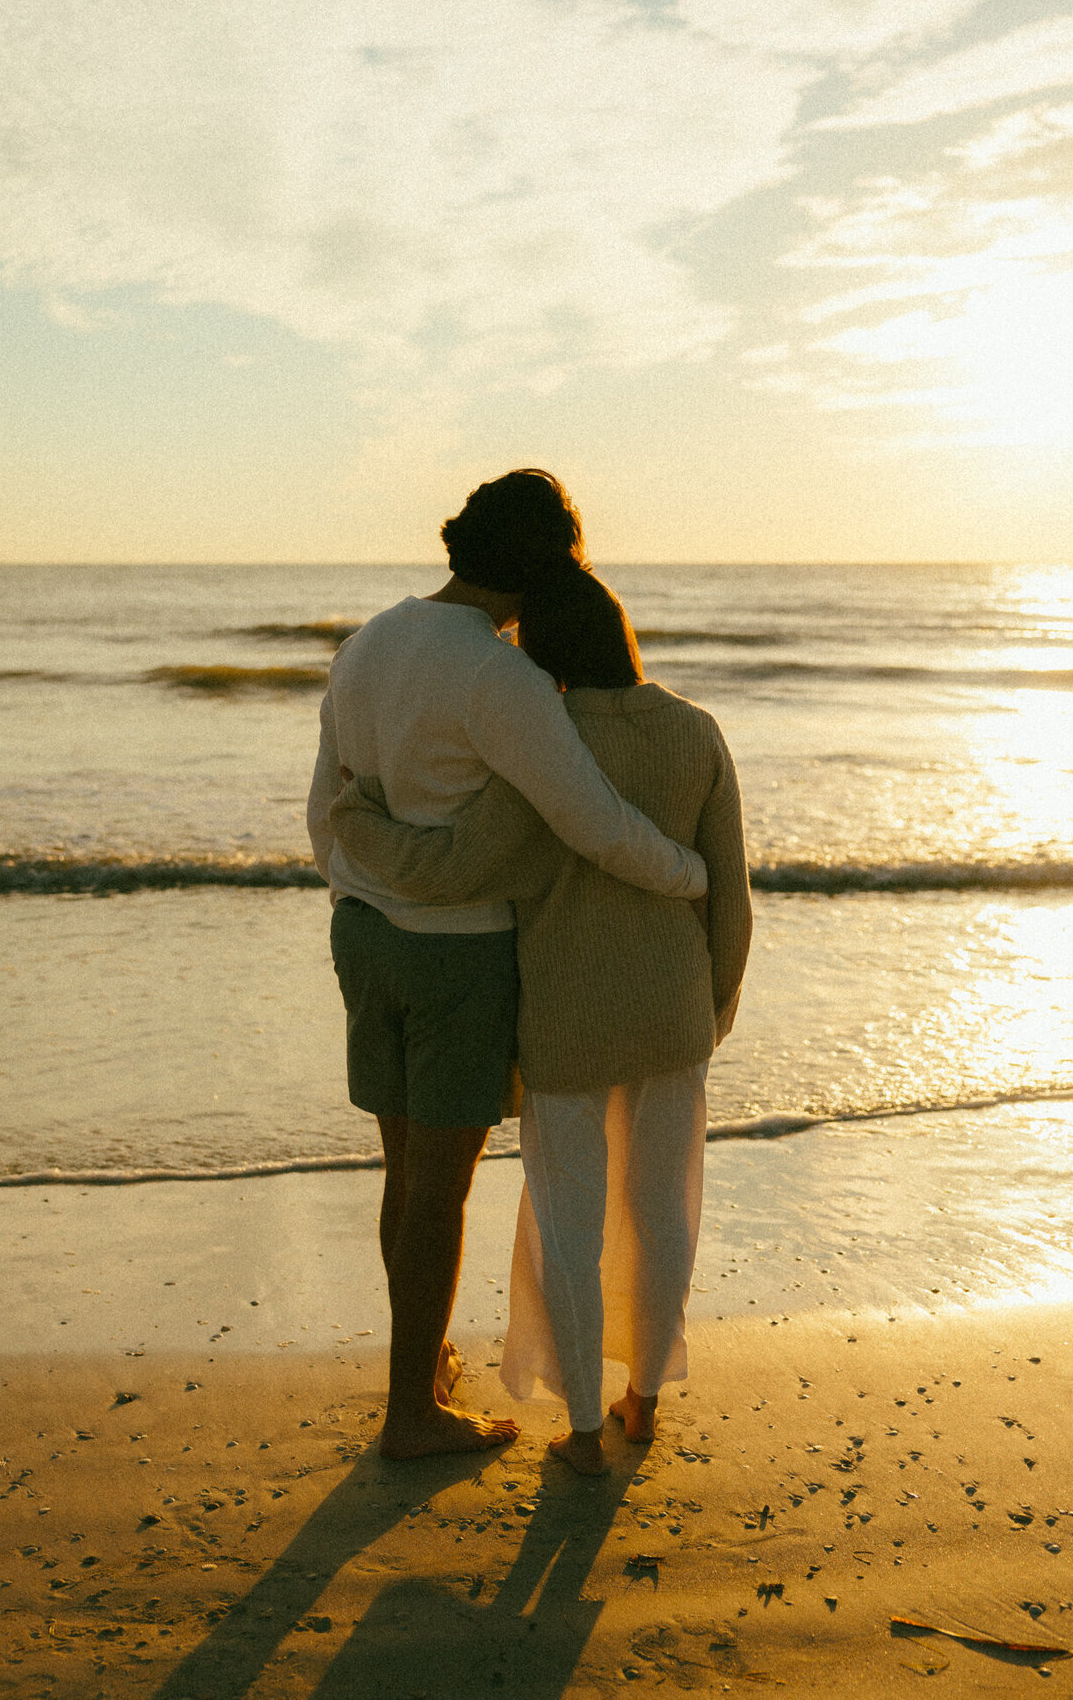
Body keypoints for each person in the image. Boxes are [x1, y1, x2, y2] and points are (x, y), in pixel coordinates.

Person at [307, 471, 708, 1461]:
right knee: (440, 1190)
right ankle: (410, 1412)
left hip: (363, 936)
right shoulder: (501, 679)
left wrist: (383, 880)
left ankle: (420, 1357)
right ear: (541, 563)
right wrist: (687, 871)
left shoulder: (369, 641)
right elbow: (596, 822)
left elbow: (327, 818)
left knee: (406, 1176)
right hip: (457, 961)